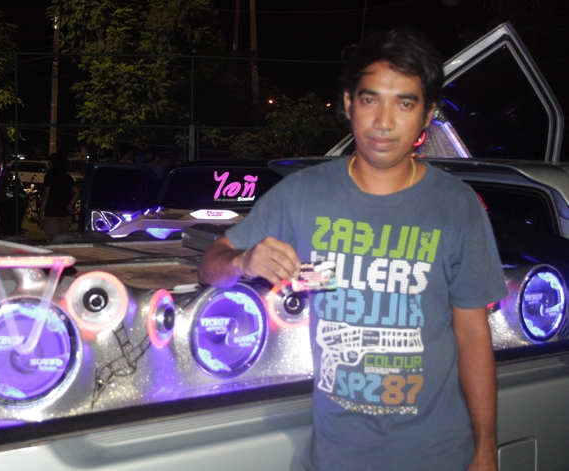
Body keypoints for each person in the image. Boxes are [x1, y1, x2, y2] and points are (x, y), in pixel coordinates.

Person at [198, 29, 507, 471]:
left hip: (438, 455)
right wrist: (243, 261)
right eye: (369, 100)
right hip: (336, 457)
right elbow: (210, 266)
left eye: (404, 104)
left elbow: (473, 334)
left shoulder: (458, 207)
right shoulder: (301, 195)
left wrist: (485, 449)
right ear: (348, 104)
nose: (384, 121)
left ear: (427, 116)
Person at [39, 153, 80, 243]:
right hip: (65, 213)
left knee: (55, 240)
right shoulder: (66, 177)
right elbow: (77, 191)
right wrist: (70, 204)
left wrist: (41, 211)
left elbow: (46, 194)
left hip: (52, 213)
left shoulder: (49, 176)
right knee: (64, 239)